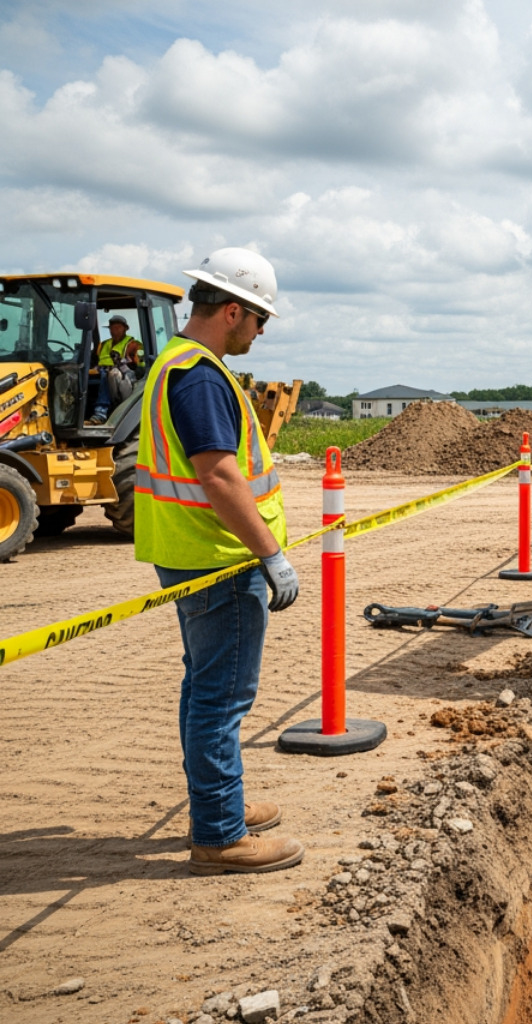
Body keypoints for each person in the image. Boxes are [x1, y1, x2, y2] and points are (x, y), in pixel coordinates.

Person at [134, 247, 304, 875]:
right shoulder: (202, 374)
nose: (259, 333)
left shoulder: (175, 362)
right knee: (221, 696)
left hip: (192, 554)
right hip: (220, 559)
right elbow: (219, 474)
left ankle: (218, 805)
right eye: (259, 321)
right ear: (232, 311)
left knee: (205, 687)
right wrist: (271, 556)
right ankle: (219, 834)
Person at [86, 314, 145, 424]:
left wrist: (122, 364)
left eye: (118, 328)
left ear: (125, 329)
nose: (114, 331)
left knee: (108, 374)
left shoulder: (133, 345)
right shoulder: (103, 344)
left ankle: (100, 413)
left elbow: (139, 367)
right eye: (112, 328)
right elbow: (94, 360)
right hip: (99, 372)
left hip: (122, 376)